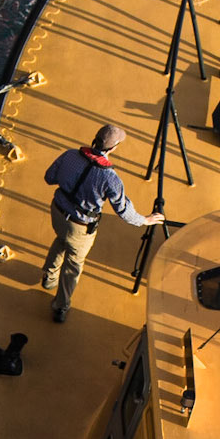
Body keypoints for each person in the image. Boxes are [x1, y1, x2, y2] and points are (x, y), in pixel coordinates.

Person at [42, 123, 164, 321]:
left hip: (57, 211)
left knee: (62, 239)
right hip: (80, 226)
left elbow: (49, 178)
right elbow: (123, 210)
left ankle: (49, 278)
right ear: (114, 148)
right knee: (73, 264)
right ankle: (60, 306)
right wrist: (145, 220)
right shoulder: (111, 179)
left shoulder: (70, 155)